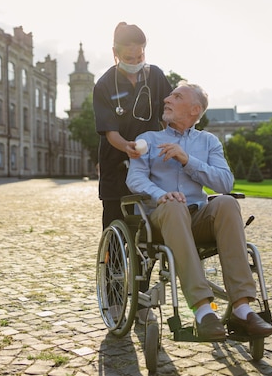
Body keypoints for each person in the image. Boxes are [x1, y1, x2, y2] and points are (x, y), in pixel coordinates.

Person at [126, 81, 272, 341]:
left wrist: (187, 160)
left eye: (176, 96)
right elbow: (135, 179)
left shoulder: (208, 142)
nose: (166, 100)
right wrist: (162, 195)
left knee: (228, 202)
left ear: (194, 109)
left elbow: (225, 183)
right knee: (174, 205)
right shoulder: (148, 140)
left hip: (198, 218)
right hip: (162, 219)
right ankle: (204, 310)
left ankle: (241, 307)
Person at [93, 22, 173, 325]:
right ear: (115, 53)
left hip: (150, 171)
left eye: (140, 53)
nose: (136, 59)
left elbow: (170, 115)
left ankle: (140, 300)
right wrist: (126, 146)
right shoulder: (104, 84)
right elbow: (109, 131)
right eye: (129, 54)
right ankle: (114, 300)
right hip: (116, 171)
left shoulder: (156, 77)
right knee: (116, 241)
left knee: (146, 239)